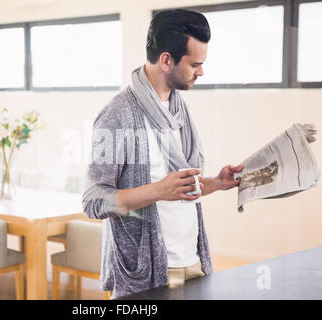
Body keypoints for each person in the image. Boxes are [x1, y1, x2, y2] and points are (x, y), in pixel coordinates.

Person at [82, 9, 244, 299]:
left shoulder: (179, 110)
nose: (202, 72)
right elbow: (94, 201)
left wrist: (215, 183)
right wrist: (158, 190)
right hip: (145, 275)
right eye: (195, 64)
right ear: (167, 60)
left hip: (193, 262)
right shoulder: (117, 115)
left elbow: (177, 188)